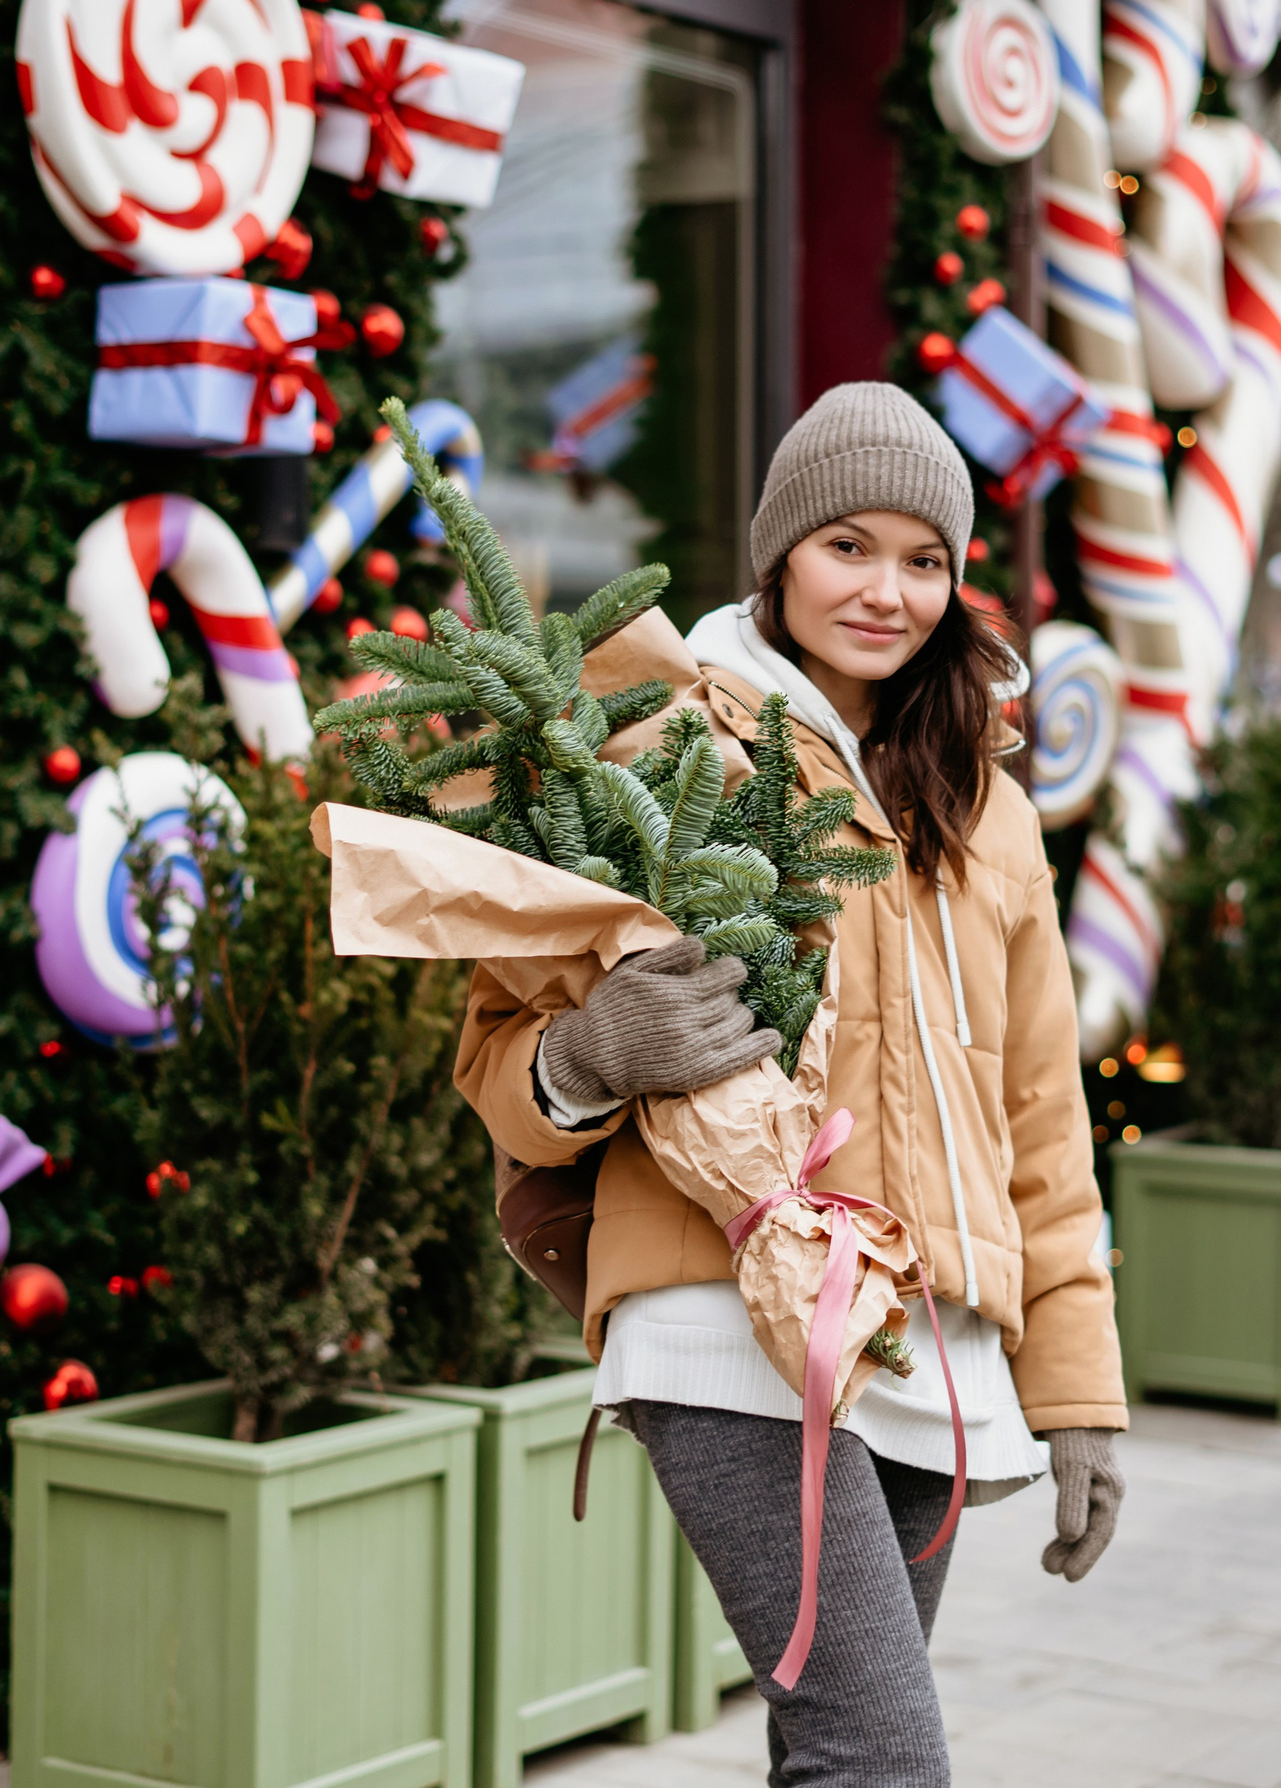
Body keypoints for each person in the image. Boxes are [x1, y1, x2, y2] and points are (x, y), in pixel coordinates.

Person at [455, 381, 1125, 1786]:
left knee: (833, 1755)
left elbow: (1041, 1120)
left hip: (929, 1329)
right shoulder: (660, 742)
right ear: (778, 555)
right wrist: (597, 1055)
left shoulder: (982, 795)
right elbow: (500, 1058)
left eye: (925, 559)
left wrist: (1077, 1394)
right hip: (724, 1305)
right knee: (878, 1758)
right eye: (848, 546)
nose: (887, 590)